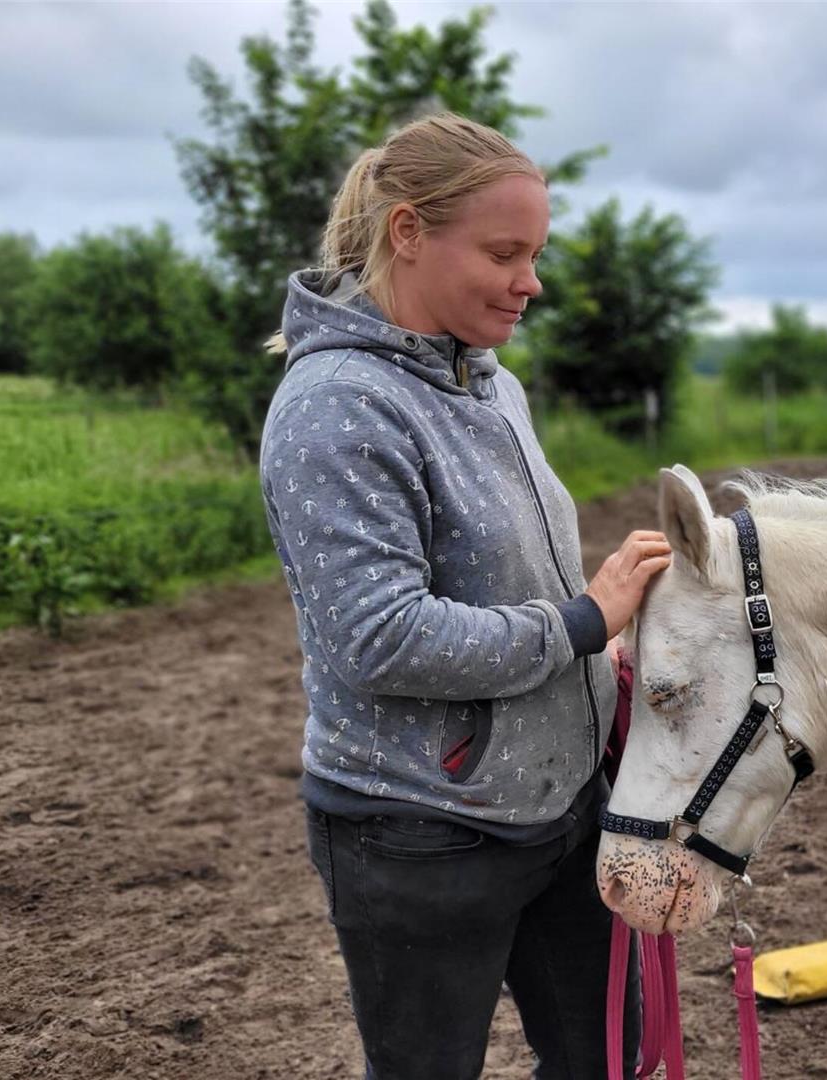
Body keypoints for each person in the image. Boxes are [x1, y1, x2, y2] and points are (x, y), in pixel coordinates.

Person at [256, 111, 667, 1080]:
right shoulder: (336, 405)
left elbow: (504, 571)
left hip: (563, 806)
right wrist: (579, 621)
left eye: (536, 254)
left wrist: (598, 663)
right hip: (421, 833)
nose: (532, 281)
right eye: (506, 252)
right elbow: (380, 640)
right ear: (408, 232)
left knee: (614, 1057)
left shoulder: (488, 383)